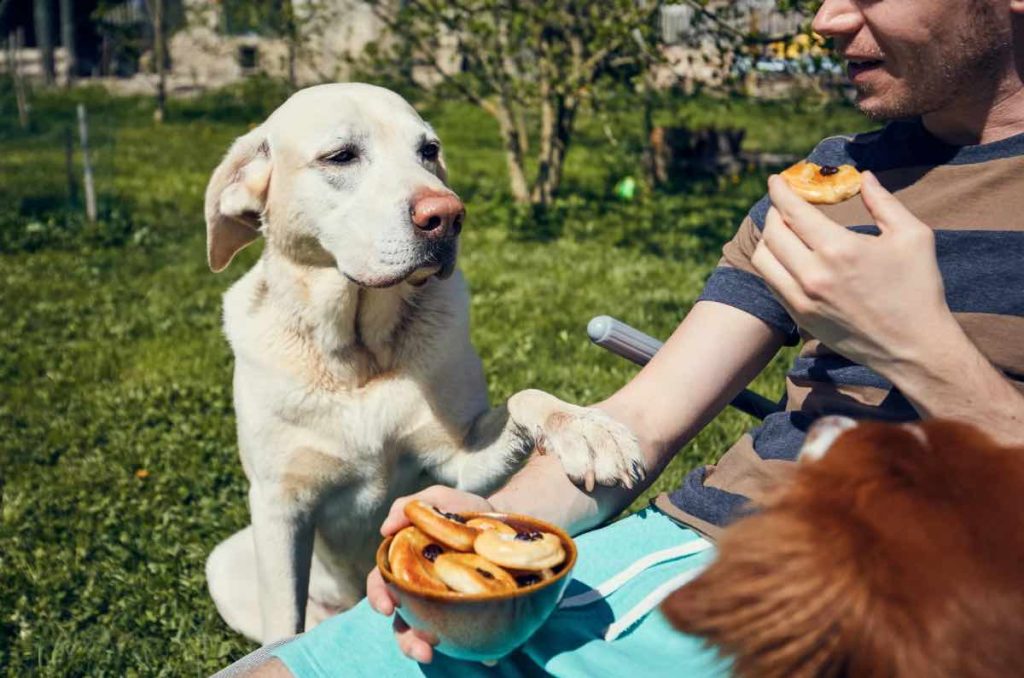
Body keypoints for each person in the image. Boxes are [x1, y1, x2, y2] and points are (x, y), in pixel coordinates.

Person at [223, 0, 1024, 675]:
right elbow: (642, 421)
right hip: (690, 551)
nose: (825, 18)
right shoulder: (833, 177)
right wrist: (492, 525)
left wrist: (918, 345)